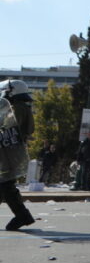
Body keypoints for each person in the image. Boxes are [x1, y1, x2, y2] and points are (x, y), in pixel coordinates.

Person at [1, 79, 35, 230]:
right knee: (4, 185)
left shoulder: (17, 108)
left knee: (6, 185)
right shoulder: (21, 107)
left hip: (9, 154)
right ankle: (23, 215)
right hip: (9, 153)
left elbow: (8, 128)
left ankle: (23, 215)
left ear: (11, 91)